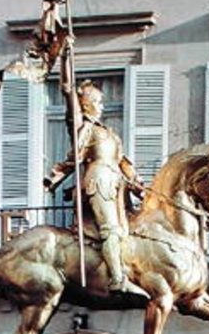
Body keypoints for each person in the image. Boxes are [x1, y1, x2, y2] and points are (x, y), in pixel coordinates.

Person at [45, 80, 145, 293]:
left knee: (130, 228)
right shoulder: (84, 127)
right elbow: (69, 96)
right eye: (98, 102)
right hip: (98, 180)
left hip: (117, 183)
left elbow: (123, 161)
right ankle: (117, 278)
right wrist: (68, 83)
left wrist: (137, 183)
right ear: (86, 104)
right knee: (111, 230)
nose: (102, 106)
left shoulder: (109, 132)